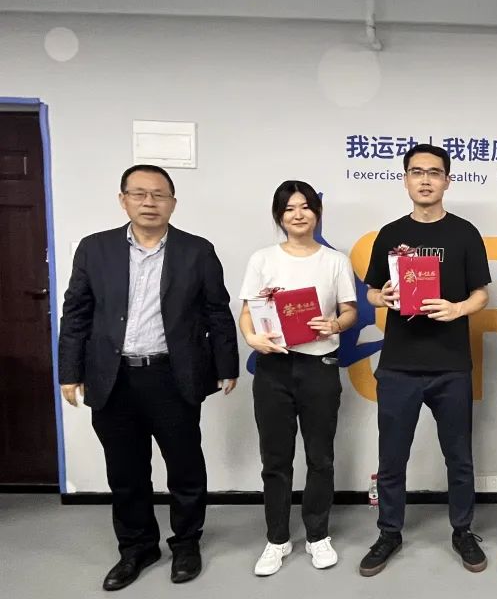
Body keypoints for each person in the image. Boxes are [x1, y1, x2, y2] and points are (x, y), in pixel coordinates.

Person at [58, 164, 238, 590]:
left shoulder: (197, 251)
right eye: (139, 193)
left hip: (172, 376)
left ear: (173, 203)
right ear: (123, 200)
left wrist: (226, 365)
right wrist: (70, 372)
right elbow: (76, 313)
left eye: (159, 195)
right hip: (113, 377)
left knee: (185, 467)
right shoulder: (95, 249)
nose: (149, 202)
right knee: (125, 471)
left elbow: (217, 311)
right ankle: (137, 547)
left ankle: (186, 543)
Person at [359, 144, 492, 575]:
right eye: (417, 172)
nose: (425, 180)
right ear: (405, 180)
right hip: (398, 365)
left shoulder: (465, 233)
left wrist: (457, 309)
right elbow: (370, 291)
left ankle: (462, 530)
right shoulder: (390, 233)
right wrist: (383, 297)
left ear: (447, 181)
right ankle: (389, 532)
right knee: (391, 458)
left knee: (460, 457)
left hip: (451, 365)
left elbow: (481, 294)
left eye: (434, 172)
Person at [238, 180, 358, 576]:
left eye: (305, 206)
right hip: (274, 368)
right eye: (289, 209)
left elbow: (350, 311)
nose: (299, 214)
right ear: (279, 216)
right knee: (275, 458)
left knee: (320, 457)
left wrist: (335, 324)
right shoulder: (262, 259)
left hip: (319, 366)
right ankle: (277, 539)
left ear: (317, 213)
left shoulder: (335, 261)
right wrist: (252, 338)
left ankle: (318, 535)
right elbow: (247, 312)